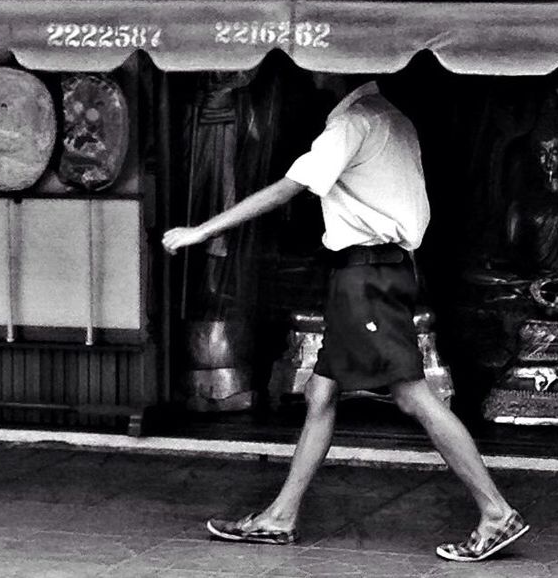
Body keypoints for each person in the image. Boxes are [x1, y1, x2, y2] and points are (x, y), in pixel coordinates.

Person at [162, 76, 530, 563]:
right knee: (321, 392)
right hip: (373, 274)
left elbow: (287, 190)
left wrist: (200, 230)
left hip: (367, 279)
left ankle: (497, 511)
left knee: (412, 395)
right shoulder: (392, 118)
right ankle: (280, 516)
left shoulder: (352, 123)